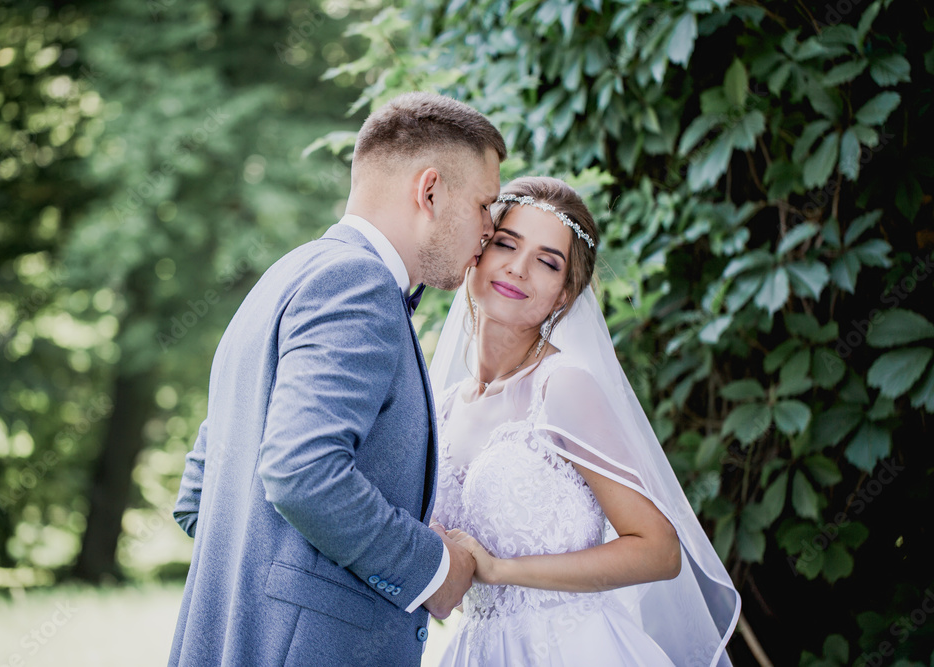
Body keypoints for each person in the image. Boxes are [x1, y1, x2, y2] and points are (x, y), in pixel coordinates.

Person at [168, 92, 507, 666]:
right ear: (430, 191)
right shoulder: (358, 286)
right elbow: (301, 471)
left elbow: (200, 497)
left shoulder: (283, 277)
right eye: (484, 205)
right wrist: (433, 569)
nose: (490, 229)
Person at [428, 176, 741, 666]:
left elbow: (658, 550)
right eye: (506, 244)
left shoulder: (562, 386)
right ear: (477, 253)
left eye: (547, 261)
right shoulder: (443, 408)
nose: (518, 268)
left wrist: (503, 568)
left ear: (564, 296)